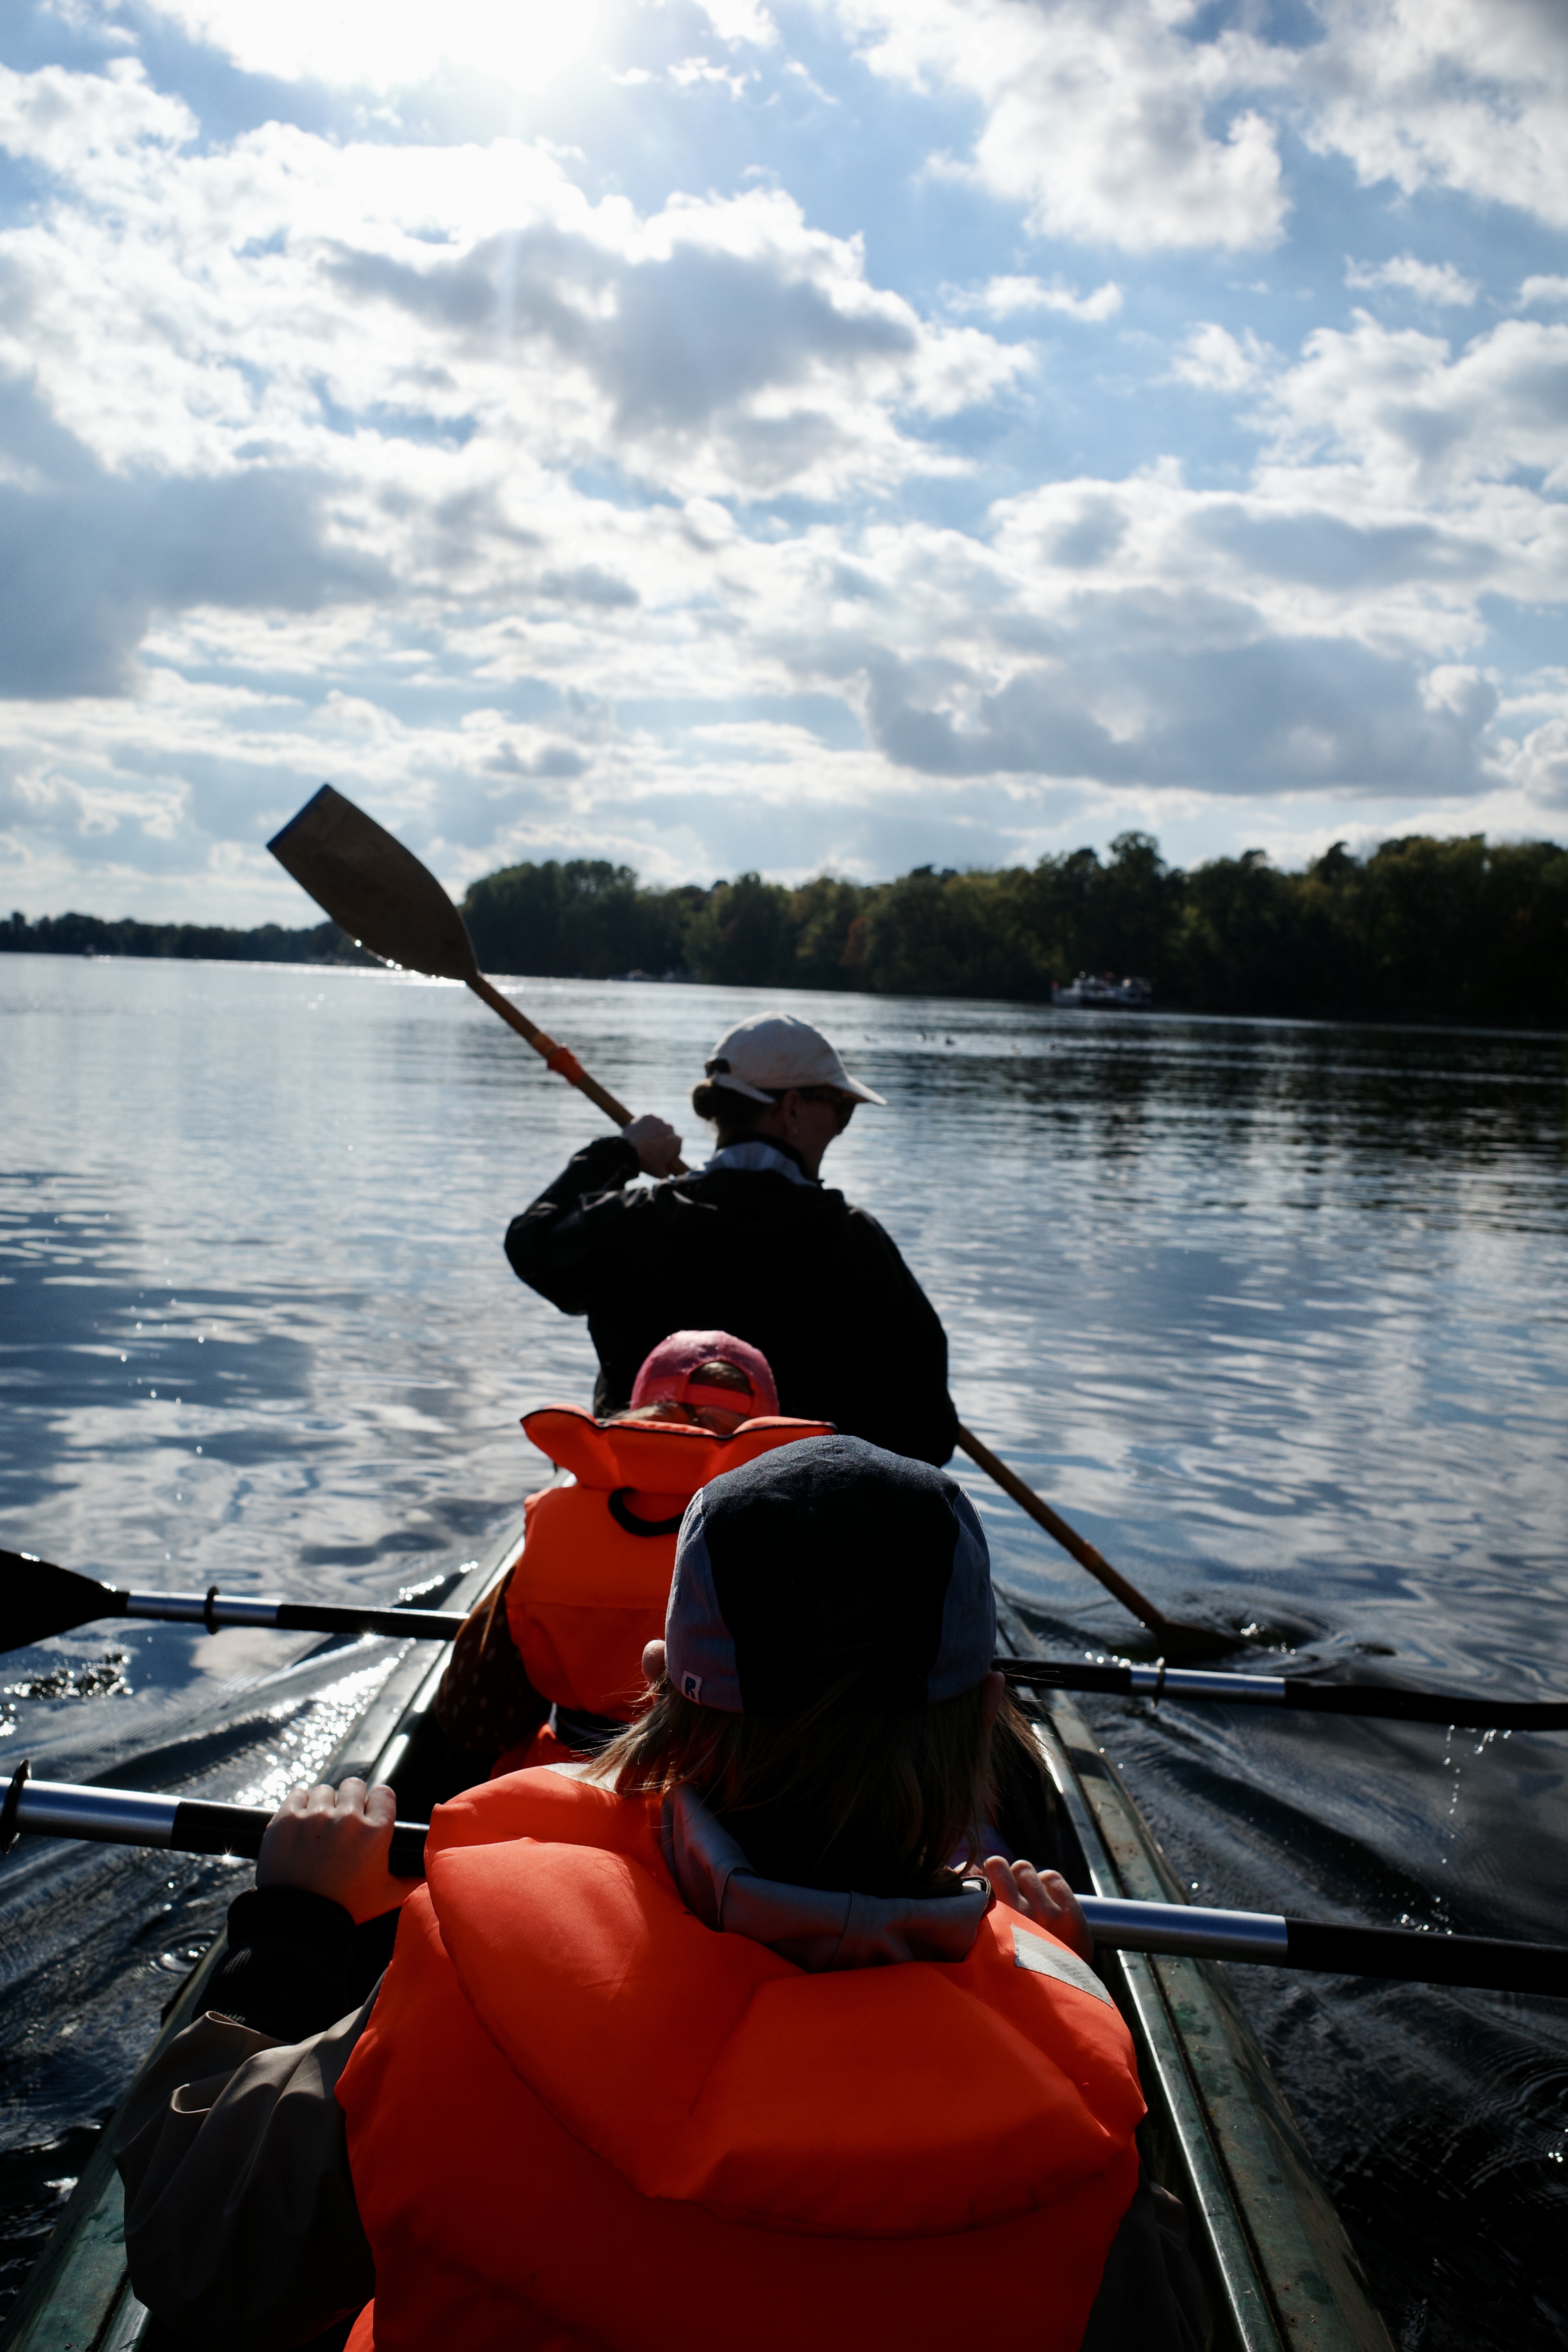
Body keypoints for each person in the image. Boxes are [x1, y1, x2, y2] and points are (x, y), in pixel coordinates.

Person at [114, 1438, 1205, 2352]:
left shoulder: (467, 1985)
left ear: (660, 1684)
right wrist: (1060, 1990)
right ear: (990, 1717)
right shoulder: (1076, 2131)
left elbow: (193, 2248)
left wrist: (293, 1930)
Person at [504, 1010, 958, 1464]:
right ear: (793, 1108)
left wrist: (620, 1153)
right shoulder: (855, 1243)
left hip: (643, 1501)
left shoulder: (634, 1221)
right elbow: (929, 1434)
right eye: (840, 1110)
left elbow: (532, 1243)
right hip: (795, 1517)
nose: (840, 1127)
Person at [432, 1329, 833, 1771]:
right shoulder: (792, 1539)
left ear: (640, 1411)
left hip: (562, 1781)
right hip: (717, 1801)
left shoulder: (554, 1522)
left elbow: (474, 1724)